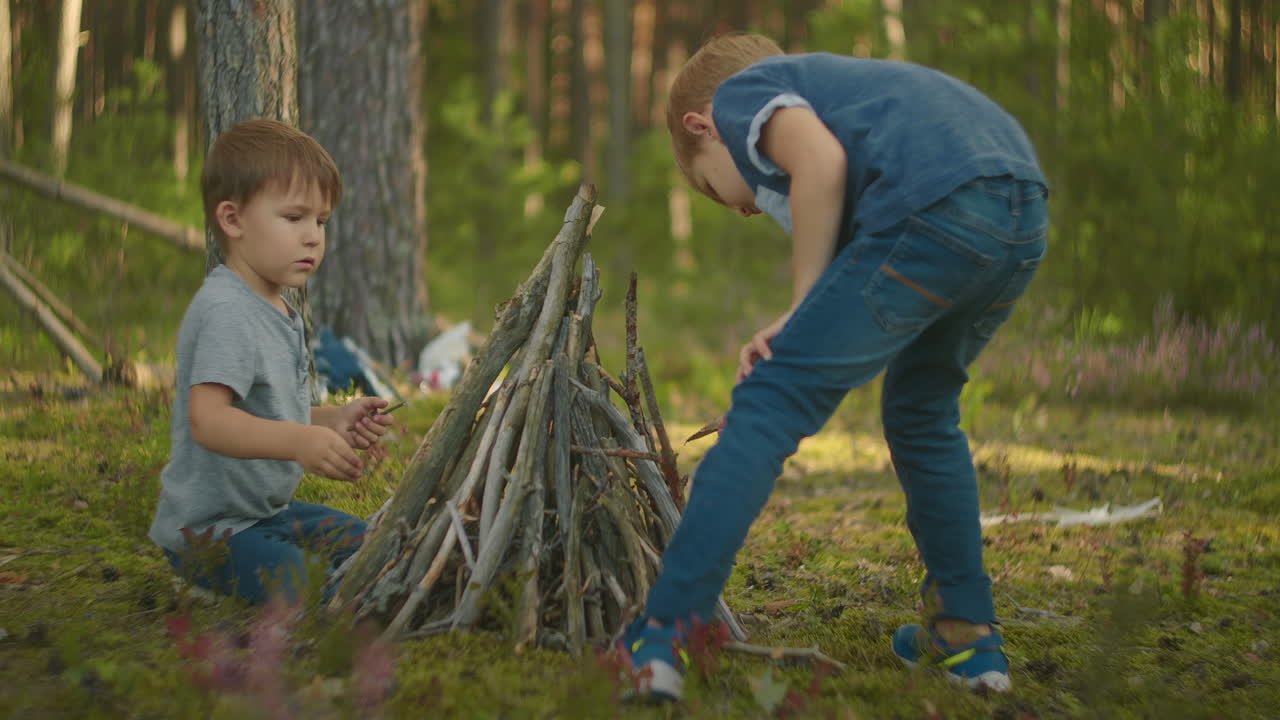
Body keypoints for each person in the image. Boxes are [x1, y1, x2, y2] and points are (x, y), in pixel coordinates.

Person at [618, 33, 1049, 700]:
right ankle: (967, 637)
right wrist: (808, 318)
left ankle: (661, 635)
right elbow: (861, 264)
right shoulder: (855, 100)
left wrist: (796, 315)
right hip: (1018, 206)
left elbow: (818, 161)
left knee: (769, 402)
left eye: (714, 186)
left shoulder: (742, 93)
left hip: (940, 202)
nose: (741, 208)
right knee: (921, 411)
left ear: (700, 126)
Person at [148, 119, 395, 606]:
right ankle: (199, 579)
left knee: (375, 548)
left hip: (263, 515)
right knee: (317, 589)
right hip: (209, 532)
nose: (313, 238)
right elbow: (210, 422)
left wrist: (331, 420)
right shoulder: (225, 310)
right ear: (233, 220)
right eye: (294, 218)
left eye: (320, 222)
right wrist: (301, 441)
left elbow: (269, 413)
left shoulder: (279, 308)